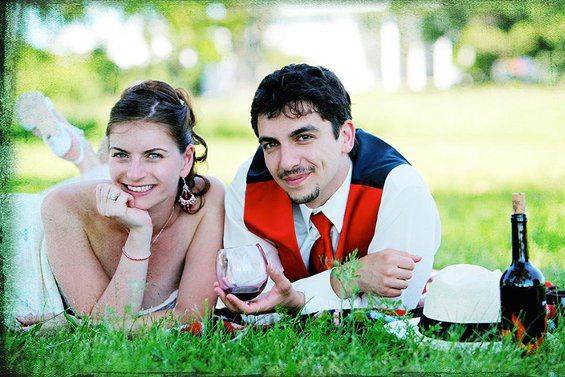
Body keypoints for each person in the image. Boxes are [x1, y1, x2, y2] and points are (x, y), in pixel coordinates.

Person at [215, 64, 441, 317]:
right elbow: (257, 302)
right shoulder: (249, 185)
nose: (287, 162)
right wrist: (349, 277)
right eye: (271, 144)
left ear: (345, 136)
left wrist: (296, 299)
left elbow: (394, 307)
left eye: (303, 137)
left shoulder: (399, 187)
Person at [8, 80, 224, 330]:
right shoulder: (62, 206)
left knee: (113, 180)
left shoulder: (207, 198)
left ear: (186, 160)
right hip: (23, 229)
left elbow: (193, 314)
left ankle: (81, 151)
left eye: (153, 155)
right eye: (120, 154)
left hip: (104, 192)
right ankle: (82, 151)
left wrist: (76, 325)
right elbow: (106, 326)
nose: (134, 173)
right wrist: (140, 234)